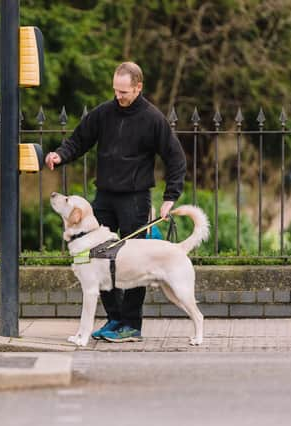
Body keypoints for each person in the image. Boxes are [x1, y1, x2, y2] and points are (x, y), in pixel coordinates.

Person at [45, 61, 186, 342]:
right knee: (100, 260)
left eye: (124, 91)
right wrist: (60, 155)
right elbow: (79, 140)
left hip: (135, 199)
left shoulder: (153, 119)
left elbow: (175, 158)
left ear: (138, 87)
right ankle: (114, 319)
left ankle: (131, 325)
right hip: (105, 198)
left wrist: (171, 197)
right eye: (115, 90)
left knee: (137, 261)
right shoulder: (104, 113)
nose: (118, 96)